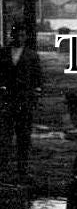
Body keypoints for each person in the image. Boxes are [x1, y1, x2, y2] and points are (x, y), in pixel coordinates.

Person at [0, 23, 44, 180]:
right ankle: (3, 169)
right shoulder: (3, 53)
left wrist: (35, 97)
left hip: (24, 102)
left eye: (23, 35)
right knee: (4, 136)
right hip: (7, 101)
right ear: (12, 36)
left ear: (26, 36)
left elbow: (38, 79)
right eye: (17, 35)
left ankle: (22, 170)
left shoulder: (32, 55)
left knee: (23, 137)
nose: (20, 38)